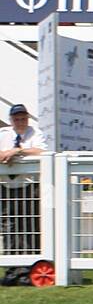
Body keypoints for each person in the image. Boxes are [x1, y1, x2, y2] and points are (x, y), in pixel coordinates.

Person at [0, 104, 46, 255]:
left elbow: (41, 152)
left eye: (23, 118)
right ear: (11, 120)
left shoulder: (36, 133)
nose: (20, 121)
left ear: (27, 119)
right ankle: (12, 263)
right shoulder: (3, 134)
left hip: (29, 186)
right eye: (17, 119)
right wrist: (6, 154)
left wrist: (18, 151)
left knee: (30, 224)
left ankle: (32, 262)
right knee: (8, 225)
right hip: (7, 186)